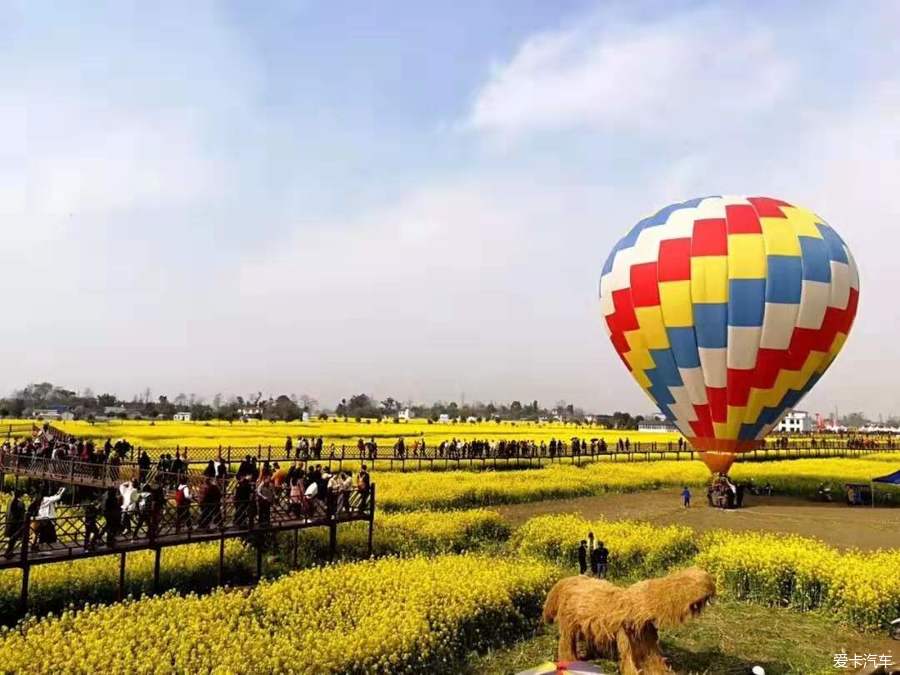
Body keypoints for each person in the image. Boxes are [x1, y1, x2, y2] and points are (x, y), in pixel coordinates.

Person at [4, 491, 25, 558]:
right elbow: (22, 515)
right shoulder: (21, 503)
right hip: (16, 524)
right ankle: (8, 553)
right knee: (14, 539)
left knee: (12, 539)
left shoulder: (10, 502)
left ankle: (9, 552)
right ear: (21, 496)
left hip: (9, 522)